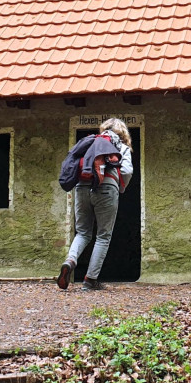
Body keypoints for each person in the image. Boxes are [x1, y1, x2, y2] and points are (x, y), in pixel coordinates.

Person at [57, 118, 133, 291]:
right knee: (103, 236)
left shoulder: (90, 143)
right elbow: (127, 171)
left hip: (82, 188)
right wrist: (120, 187)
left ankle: (70, 260)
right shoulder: (121, 146)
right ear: (123, 133)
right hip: (107, 188)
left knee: (83, 232)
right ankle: (90, 280)